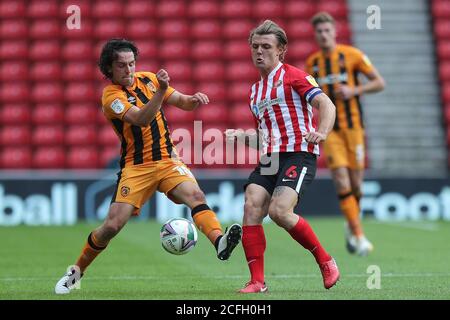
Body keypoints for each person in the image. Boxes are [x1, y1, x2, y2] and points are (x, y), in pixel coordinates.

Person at [55, 39, 242, 294]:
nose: (129, 70)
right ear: (109, 69)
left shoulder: (150, 79)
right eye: (122, 65)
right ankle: (76, 272)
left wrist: (193, 100)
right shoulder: (111, 96)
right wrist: (159, 92)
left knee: (196, 196)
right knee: (111, 226)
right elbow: (141, 119)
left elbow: (182, 101)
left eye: (132, 63)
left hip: (167, 160)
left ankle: (220, 242)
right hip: (136, 168)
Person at [226, 20, 339, 293]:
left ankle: (325, 260)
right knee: (251, 206)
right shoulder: (255, 91)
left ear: (281, 51)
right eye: (255, 46)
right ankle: (257, 281)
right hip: (270, 156)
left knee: (279, 212)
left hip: (298, 153)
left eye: (266, 46)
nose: (259, 52)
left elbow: (326, 103)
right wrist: (242, 138)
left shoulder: (294, 76)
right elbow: (265, 138)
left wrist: (322, 131)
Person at [306, 12, 385, 256]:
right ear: (315, 34)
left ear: (335, 31)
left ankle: (351, 225)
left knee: (357, 186)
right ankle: (359, 236)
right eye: (319, 31)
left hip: (354, 129)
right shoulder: (313, 63)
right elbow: (309, 98)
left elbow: (379, 83)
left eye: (327, 30)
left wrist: (355, 89)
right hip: (331, 132)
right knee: (341, 180)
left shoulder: (352, 55)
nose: (324, 35)